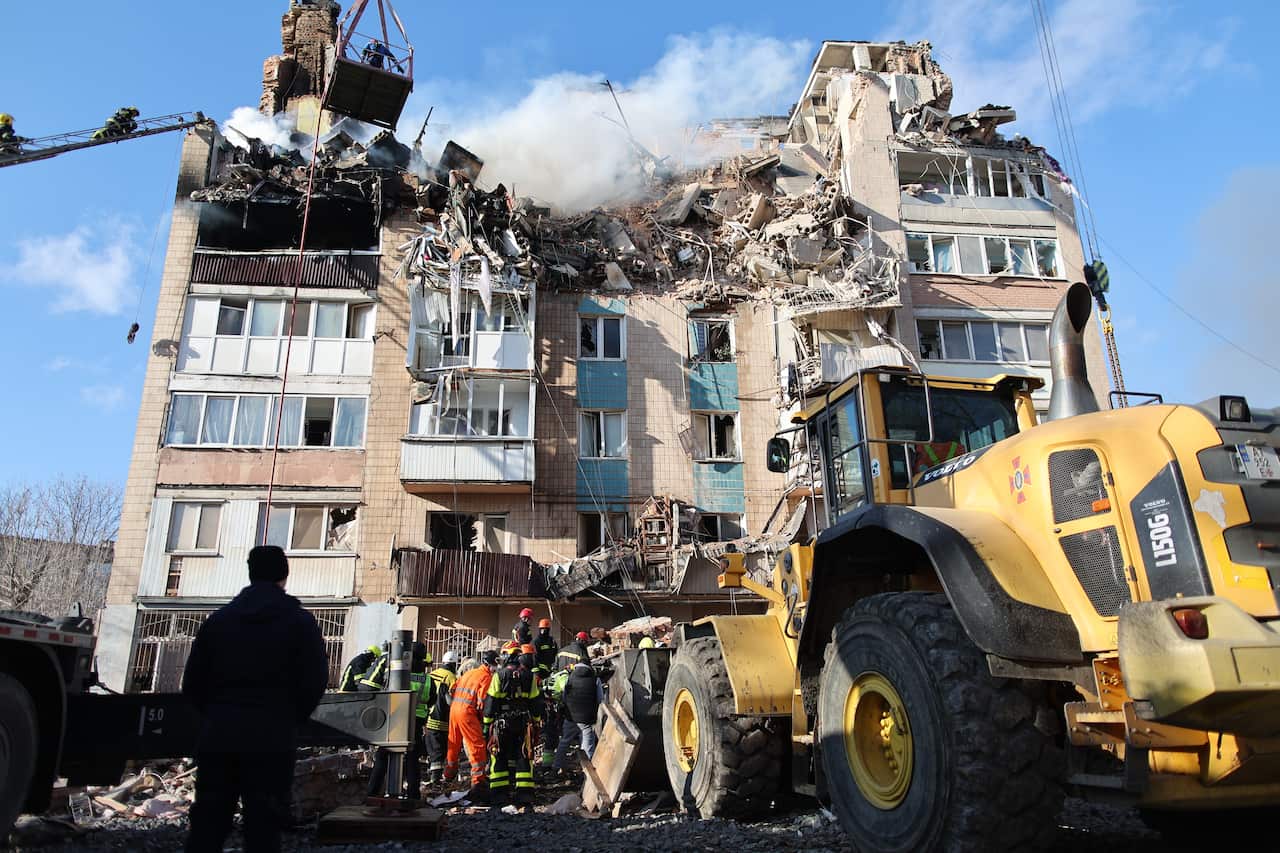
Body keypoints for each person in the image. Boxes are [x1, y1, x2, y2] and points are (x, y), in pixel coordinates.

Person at [181, 545, 328, 853]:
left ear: (250, 573)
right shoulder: (299, 623)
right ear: (284, 575)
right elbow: (314, 681)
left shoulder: (218, 621)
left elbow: (193, 683)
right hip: (271, 738)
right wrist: (288, 719)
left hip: (219, 735)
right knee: (264, 826)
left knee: (208, 823)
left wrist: (217, 716)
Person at [482, 645, 542, 807]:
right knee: (524, 754)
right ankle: (525, 793)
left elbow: (491, 703)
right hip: (523, 723)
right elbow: (535, 703)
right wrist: (536, 722)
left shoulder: (499, 676)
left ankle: (499, 794)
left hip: (501, 724)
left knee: (498, 755)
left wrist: (486, 726)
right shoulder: (530, 676)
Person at [368, 642, 430, 798]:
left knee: (383, 755)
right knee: (412, 759)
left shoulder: (399, 673)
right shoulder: (428, 679)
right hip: (416, 722)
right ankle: (413, 795)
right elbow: (431, 700)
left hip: (395, 719)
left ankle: (373, 793)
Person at [445, 650, 497, 801]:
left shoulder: (470, 672)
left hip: (454, 709)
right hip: (467, 712)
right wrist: (485, 721)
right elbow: (483, 703)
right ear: (490, 664)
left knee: (453, 743)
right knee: (477, 745)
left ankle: (448, 775)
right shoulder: (486, 677)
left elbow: (454, 688)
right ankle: (478, 781)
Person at [552, 662, 603, 775]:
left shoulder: (569, 678)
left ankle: (555, 768)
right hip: (586, 719)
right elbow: (600, 699)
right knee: (587, 745)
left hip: (570, 717)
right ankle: (587, 773)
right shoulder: (595, 679)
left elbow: (564, 697)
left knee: (564, 742)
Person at [423, 650, 459, 783]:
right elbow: (451, 701)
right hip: (442, 720)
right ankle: (436, 780)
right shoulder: (451, 678)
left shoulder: (432, 674)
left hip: (428, 717)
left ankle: (433, 777)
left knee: (432, 750)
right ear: (454, 664)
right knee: (439, 752)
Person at [532, 619, 559, 764]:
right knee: (540, 697)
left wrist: (552, 670)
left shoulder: (551, 641)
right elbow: (535, 660)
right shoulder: (536, 642)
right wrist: (537, 676)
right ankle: (542, 718)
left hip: (549, 674)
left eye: (546, 629)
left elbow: (554, 655)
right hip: (540, 675)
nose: (544, 631)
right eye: (542, 629)